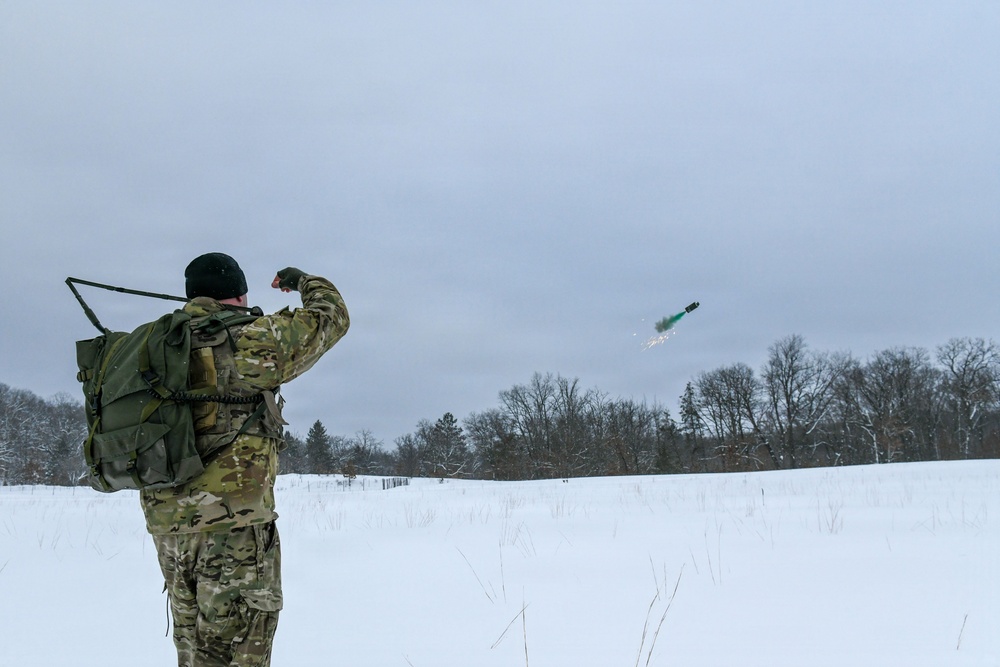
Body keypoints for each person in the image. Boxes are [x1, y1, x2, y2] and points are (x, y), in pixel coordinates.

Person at [140, 252, 350, 667]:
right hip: (233, 526)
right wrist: (305, 280)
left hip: (167, 527)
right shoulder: (251, 336)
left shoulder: (151, 347)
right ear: (237, 294)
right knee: (238, 651)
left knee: (194, 652)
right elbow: (332, 316)